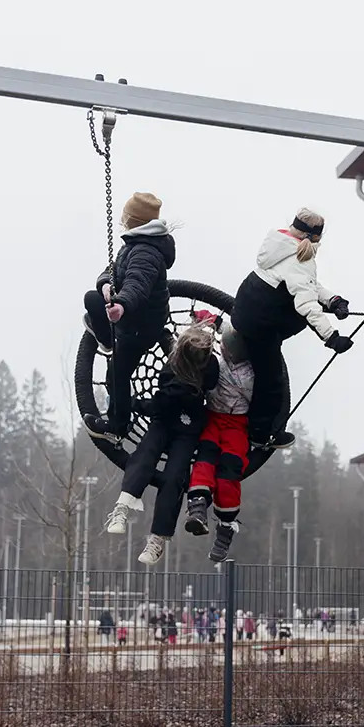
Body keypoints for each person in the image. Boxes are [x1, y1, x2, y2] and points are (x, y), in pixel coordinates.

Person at [231, 207, 352, 448]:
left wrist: (333, 300)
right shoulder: (300, 259)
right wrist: (332, 337)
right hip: (262, 324)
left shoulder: (280, 244)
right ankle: (259, 434)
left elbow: (307, 285)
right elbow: (306, 303)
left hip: (244, 309)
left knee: (266, 364)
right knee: (271, 381)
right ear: (316, 237)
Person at [105, 324, 219, 565]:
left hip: (188, 428)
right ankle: (123, 505)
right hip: (164, 420)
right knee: (145, 455)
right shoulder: (173, 368)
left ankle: (158, 537)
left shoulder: (209, 368)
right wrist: (131, 403)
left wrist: (134, 403)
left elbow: (173, 345)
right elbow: (159, 404)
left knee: (175, 476)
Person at [83, 192, 176, 445]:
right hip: (134, 316)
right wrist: (106, 284)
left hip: (140, 325)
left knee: (117, 374)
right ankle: (107, 340)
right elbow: (113, 270)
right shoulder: (134, 244)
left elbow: (137, 283)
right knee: (92, 298)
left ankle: (117, 426)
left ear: (133, 220)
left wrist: (122, 304)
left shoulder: (146, 252)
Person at [185, 319, 253, 562]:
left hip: (237, 424)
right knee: (205, 456)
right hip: (212, 418)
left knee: (229, 469)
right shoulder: (226, 348)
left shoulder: (250, 375)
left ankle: (225, 526)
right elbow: (224, 326)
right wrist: (205, 317)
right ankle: (198, 504)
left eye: (223, 347)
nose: (220, 348)